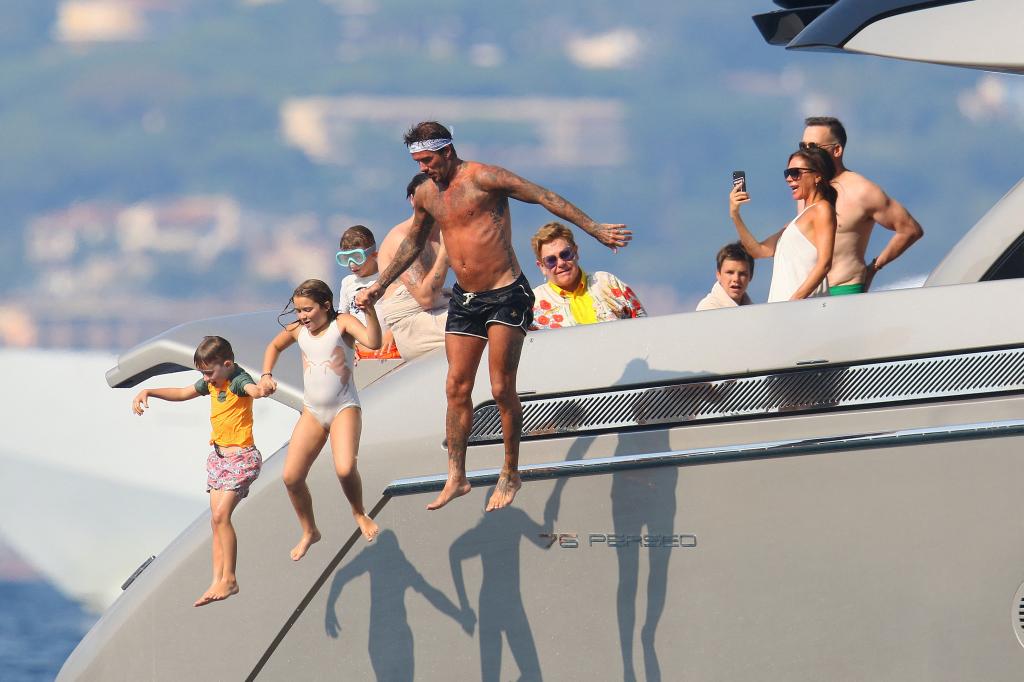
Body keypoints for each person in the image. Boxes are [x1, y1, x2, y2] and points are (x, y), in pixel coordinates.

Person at [355, 121, 630, 512]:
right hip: (467, 299)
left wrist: (594, 228)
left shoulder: (485, 178)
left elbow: (543, 196)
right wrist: (380, 286)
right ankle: (457, 476)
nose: (425, 168)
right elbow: (414, 242)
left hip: (505, 294)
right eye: (418, 161)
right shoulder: (426, 194)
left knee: (501, 387)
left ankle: (510, 472)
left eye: (429, 160)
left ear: (448, 152)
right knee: (456, 387)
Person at [131, 335, 267, 607]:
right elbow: (183, 393)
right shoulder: (212, 382)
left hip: (241, 459)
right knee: (214, 521)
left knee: (221, 515)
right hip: (218, 458)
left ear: (227, 364)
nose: (206, 379)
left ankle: (229, 578)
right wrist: (149, 391)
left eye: (209, 372)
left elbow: (252, 390)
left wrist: (262, 389)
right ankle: (218, 578)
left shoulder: (237, 380)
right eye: (202, 374)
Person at [260, 279, 383, 558]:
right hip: (313, 412)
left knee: (344, 469)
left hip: (344, 408)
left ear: (326, 306)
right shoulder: (298, 331)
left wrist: (371, 311)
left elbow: (374, 343)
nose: (302, 316)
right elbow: (273, 347)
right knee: (291, 476)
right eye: (298, 311)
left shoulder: (343, 325)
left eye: (308, 310)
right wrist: (267, 374)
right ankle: (309, 530)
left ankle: (359, 512)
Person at [800, 116, 924, 293]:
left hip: (844, 288)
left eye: (813, 147)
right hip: (809, 291)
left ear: (836, 150)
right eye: (802, 147)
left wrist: (875, 267)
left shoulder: (862, 191)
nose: (806, 153)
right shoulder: (806, 187)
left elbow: (910, 229)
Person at [729, 145, 838, 302]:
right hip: (784, 310)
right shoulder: (795, 223)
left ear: (817, 175)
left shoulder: (822, 209)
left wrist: (794, 300)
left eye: (795, 173)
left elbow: (824, 263)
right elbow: (758, 251)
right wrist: (735, 215)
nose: (788, 178)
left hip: (801, 309)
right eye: (787, 173)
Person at [376, 173, 451, 360]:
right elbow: (425, 299)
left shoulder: (445, 230)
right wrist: (445, 252)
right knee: (479, 325)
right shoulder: (402, 239)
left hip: (441, 308)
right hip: (411, 323)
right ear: (412, 200)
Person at [529, 221, 645, 329]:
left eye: (565, 254)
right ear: (542, 267)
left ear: (576, 252)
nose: (561, 263)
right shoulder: (532, 303)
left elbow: (644, 325)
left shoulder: (607, 282)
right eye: (551, 260)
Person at [337, 225, 401, 361]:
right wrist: (347, 347)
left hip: (389, 349)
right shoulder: (347, 282)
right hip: (360, 354)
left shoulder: (386, 277)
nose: (351, 264)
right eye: (345, 258)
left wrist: (393, 332)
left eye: (356, 257)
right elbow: (342, 317)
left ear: (374, 254)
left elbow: (401, 310)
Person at [696, 242, 754, 311]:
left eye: (742, 274)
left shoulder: (755, 311)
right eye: (730, 272)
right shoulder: (707, 308)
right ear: (718, 275)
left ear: (751, 276)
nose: (736, 279)